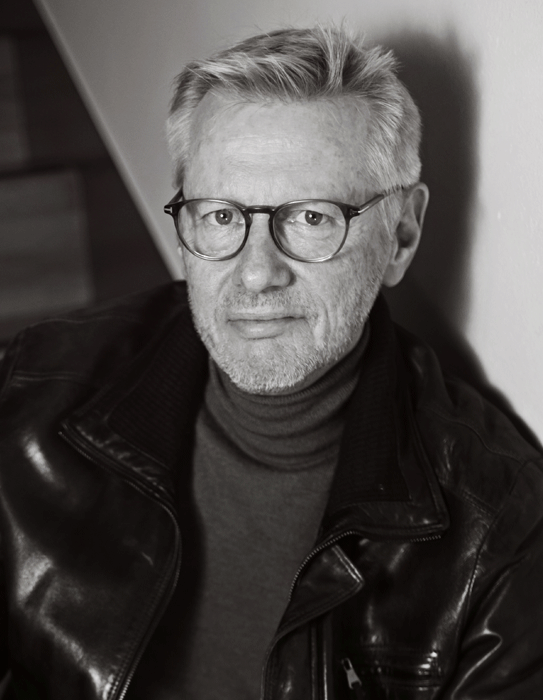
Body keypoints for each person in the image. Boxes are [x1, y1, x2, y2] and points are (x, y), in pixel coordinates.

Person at [0, 24, 542, 700]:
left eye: (311, 218)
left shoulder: (502, 530)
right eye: (222, 217)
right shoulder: (31, 390)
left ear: (401, 235)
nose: (256, 274)